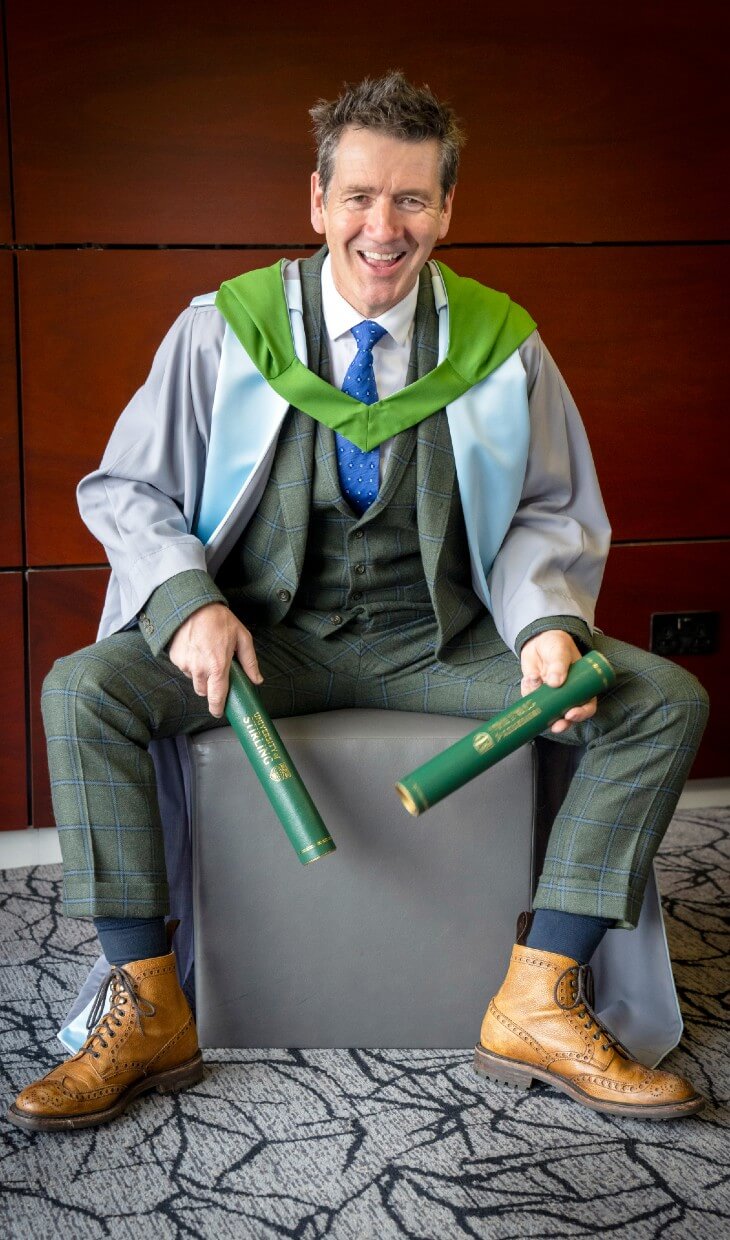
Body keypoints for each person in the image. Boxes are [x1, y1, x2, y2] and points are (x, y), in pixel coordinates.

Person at [7, 71, 709, 1132]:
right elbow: (128, 490)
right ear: (316, 203)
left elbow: (549, 514)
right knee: (82, 690)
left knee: (658, 697)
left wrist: (545, 626)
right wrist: (190, 598)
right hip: (263, 642)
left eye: (413, 199)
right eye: (359, 197)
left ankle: (540, 992)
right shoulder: (225, 330)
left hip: (441, 639)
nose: (383, 227)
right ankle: (146, 1002)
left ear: (447, 210)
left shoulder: (501, 342)